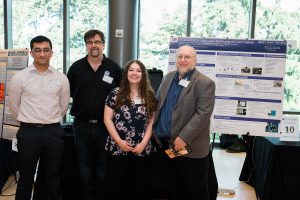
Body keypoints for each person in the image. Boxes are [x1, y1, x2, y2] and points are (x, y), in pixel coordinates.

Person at [8, 35, 70, 200]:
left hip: (53, 133)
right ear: (31, 53)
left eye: (45, 50)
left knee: (53, 178)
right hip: (28, 133)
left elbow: (63, 107)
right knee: (26, 179)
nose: (42, 54)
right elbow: (14, 107)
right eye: (38, 50)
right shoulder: (19, 78)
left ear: (51, 53)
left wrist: (50, 121)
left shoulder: (61, 78)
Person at [153, 45, 216, 200]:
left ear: (195, 60)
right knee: (174, 187)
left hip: (190, 148)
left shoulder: (204, 83)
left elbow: (203, 114)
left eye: (187, 57)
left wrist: (184, 137)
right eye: (180, 56)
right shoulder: (168, 78)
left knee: (195, 189)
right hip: (167, 145)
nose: (183, 60)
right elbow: (158, 104)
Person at [67, 29, 122, 200]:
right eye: (90, 42)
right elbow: (67, 92)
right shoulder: (76, 68)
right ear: (86, 46)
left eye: (97, 42)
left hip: (105, 127)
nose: (94, 45)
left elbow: (121, 94)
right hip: (81, 126)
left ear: (103, 44)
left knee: (103, 166)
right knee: (83, 166)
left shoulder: (114, 68)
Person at [104, 60, 157, 200]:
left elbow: (152, 121)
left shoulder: (150, 95)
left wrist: (143, 144)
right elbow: (107, 119)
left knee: (137, 188)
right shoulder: (115, 93)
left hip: (141, 149)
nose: (135, 73)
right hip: (117, 147)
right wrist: (119, 142)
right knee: (116, 187)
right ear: (126, 73)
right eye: (131, 70)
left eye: (138, 71)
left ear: (143, 74)